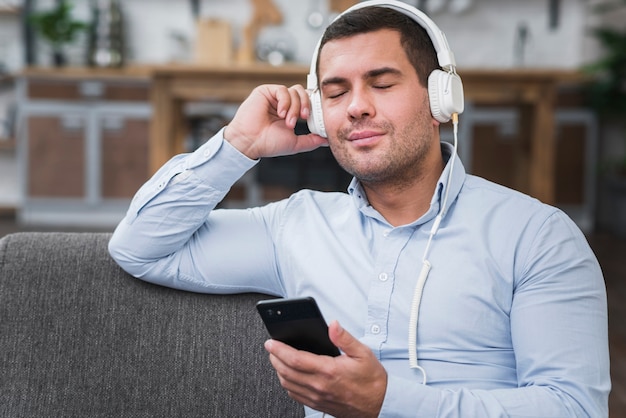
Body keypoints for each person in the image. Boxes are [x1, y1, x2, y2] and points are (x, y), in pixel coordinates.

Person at [108, 1, 610, 416]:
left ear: (439, 98)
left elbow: (573, 407)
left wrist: (387, 400)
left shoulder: (538, 236)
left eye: (382, 82)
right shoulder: (294, 225)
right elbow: (140, 248)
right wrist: (239, 143)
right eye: (336, 90)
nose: (356, 106)